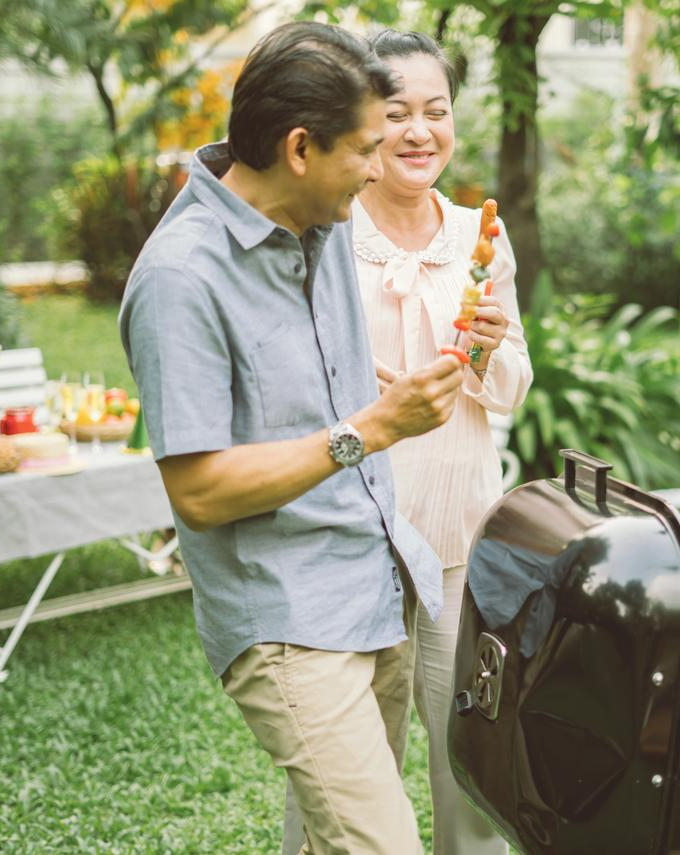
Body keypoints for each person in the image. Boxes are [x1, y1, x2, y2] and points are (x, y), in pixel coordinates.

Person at [119, 22, 467, 855]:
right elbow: (198, 492)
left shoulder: (323, 218)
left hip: (375, 580)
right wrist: (371, 428)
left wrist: (375, 391)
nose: (381, 169)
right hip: (288, 620)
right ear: (300, 147)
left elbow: (302, 389)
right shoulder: (181, 279)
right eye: (365, 150)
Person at [282, 30, 531, 855]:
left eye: (437, 110)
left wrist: (491, 347)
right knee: (349, 762)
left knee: (471, 748)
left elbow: (510, 390)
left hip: (460, 532)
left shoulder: (479, 239)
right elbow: (296, 393)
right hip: (356, 541)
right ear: (361, 124)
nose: (420, 131)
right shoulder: (327, 239)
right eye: (396, 114)